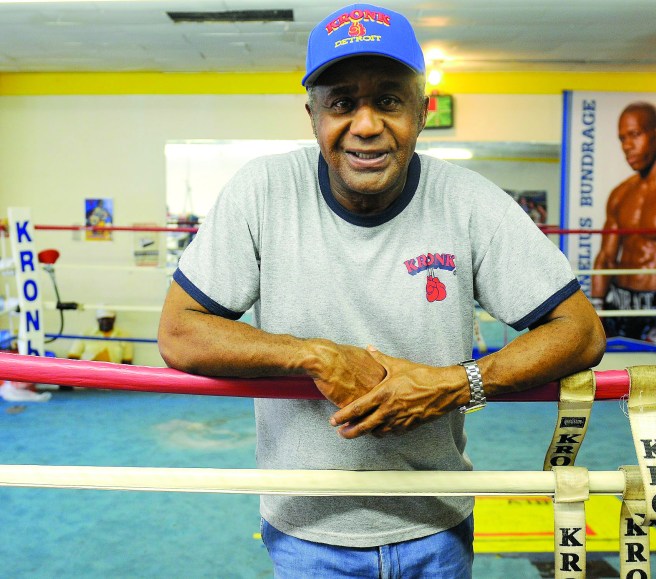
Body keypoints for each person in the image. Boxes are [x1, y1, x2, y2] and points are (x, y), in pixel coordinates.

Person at [158, 4, 605, 577]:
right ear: (313, 116)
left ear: (422, 112)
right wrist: (314, 355)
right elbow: (179, 331)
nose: (366, 125)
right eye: (342, 103)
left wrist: (454, 384)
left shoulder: (469, 200)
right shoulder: (263, 192)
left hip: (435, 524)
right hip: (306, 529)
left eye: (389, 101)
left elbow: (581, 331)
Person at [591, 102, 656, 347]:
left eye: (635, 134)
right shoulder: (621, 194)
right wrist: (596, 309)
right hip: (618, 303)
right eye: (622, 138)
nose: (627, 145)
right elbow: (605, 258)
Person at [68, 309, 133, 364]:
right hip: (88, 371)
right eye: (102, 319)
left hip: (113, 373)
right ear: (97, 320)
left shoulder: (124, 336)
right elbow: (72, 357)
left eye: (108, 319)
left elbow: (127, 362)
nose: (105, 322)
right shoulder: (85, 334)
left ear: (114, 319)